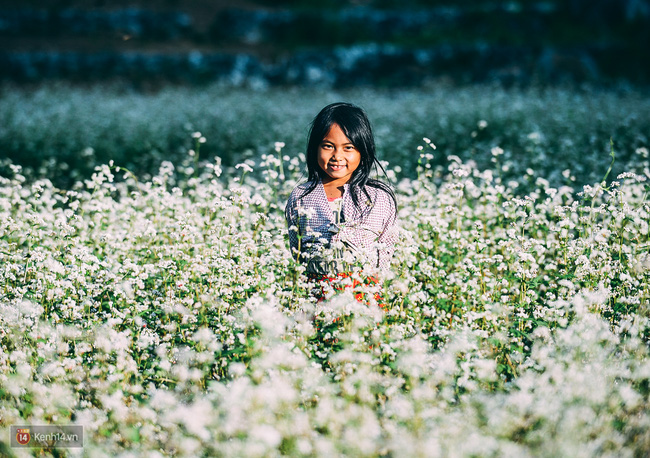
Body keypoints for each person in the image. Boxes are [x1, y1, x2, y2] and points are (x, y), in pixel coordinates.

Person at [285, 102, 398, 300]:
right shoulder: (301, 196)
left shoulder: (379, 197)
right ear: (315, 148)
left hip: (365, 297)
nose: (337, 156)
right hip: (317, 298)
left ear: (363, 151)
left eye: (348, 148)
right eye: (328, 146)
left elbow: (387, 251)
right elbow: (298, 251)